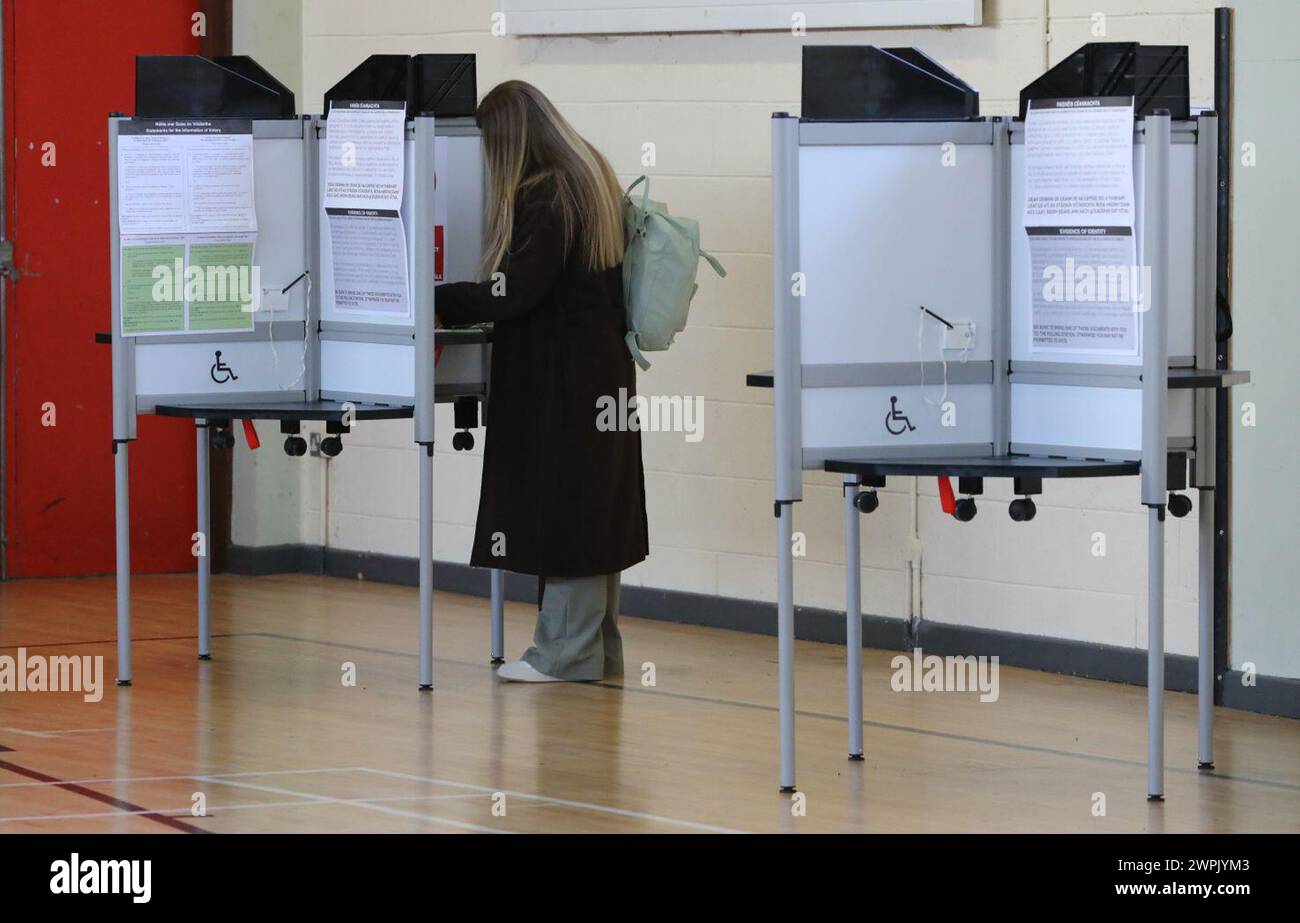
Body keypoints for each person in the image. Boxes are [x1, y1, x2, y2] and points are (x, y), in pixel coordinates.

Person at [435, 80, 649, 683]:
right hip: (601, 368)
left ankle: (562, 654)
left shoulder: (548, 191)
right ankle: (598, 649)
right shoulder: (592, 173)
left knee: (568, 506)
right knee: (598, 503)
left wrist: (440, 301)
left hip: (562, 377)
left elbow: (519, 289)